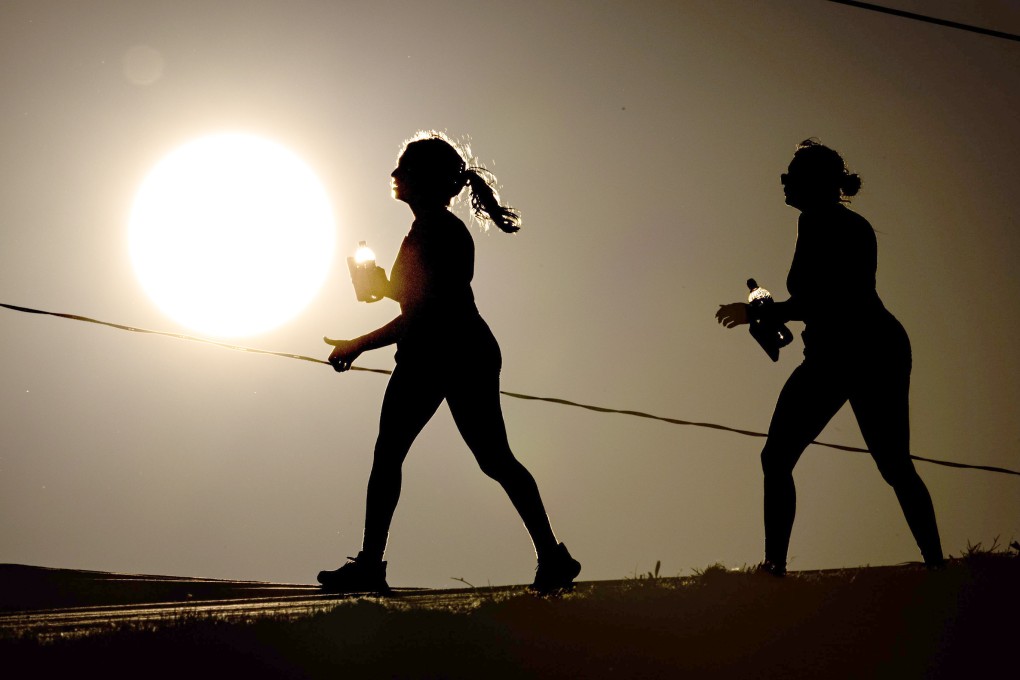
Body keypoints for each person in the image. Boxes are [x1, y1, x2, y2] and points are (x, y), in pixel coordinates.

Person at [318, 132, 581, 594]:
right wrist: (384, 287)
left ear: (423, 180)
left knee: (394, 455)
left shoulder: (437, 231)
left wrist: (359, 343)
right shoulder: (431, 230)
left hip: (441, 353)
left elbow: (425, 312)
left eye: (403, 167)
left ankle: (370, 566)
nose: (394, 174)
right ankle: (553, 556)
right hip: (463, 351)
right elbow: (419, 299)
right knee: (493, 460)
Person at [715, 139, 944, 576]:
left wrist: (760, 312)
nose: (783, 183)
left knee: (891, 464)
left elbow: (830, 300)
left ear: (816, 183)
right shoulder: (814, 223)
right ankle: (775, 565)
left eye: (791, 176)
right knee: (784, 458)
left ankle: (936, 566)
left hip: (865, 351)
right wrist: (772, 315)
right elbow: (813, 302)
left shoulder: (841, 226)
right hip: (837, 353)